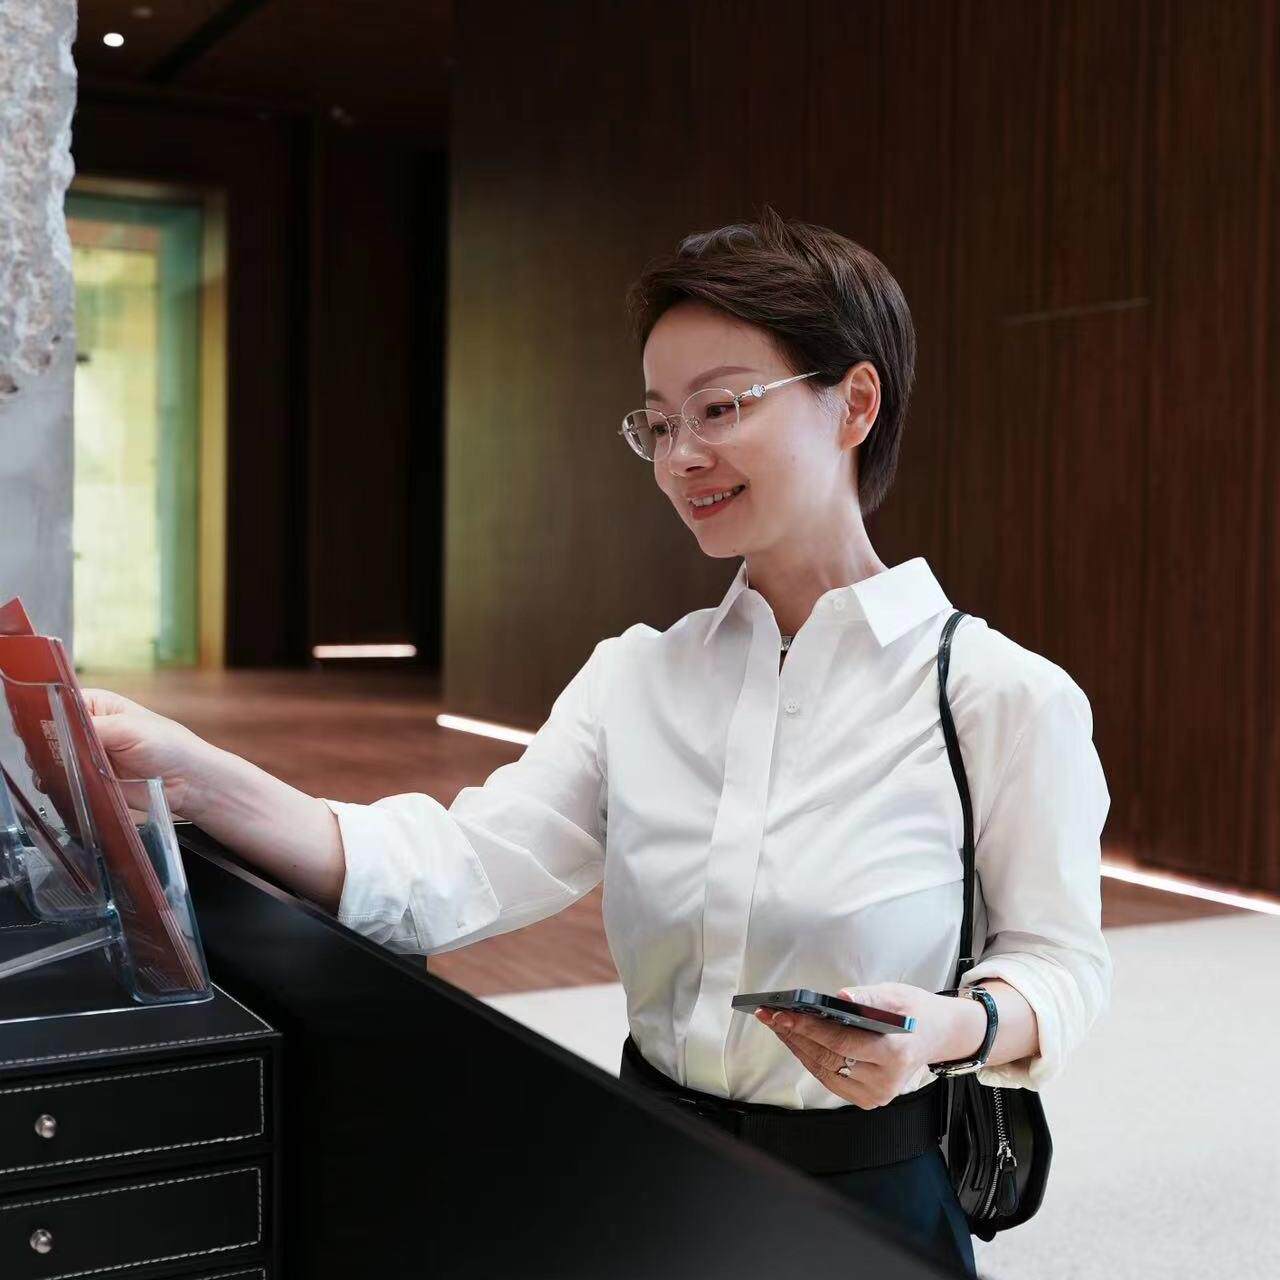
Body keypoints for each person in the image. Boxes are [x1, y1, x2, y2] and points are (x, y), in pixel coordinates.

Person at [84, 207, 1112, 1278]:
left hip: (874, 1201)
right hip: (648, 1179)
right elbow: (456, 870)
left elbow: (1059, 964)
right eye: (658, 423)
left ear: (854, 402)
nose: (680, 457)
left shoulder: (998, 693)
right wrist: (193, 774)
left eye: (719, 407)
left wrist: (951, 1030)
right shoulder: (637, 675)